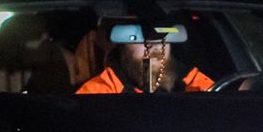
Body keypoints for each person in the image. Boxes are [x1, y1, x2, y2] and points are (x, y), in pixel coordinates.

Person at [75, 19, 213, 94]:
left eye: (162, 41)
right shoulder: (100, 91)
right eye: (141, 40)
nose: (155, 47)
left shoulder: (194, 83)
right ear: (123, 46)